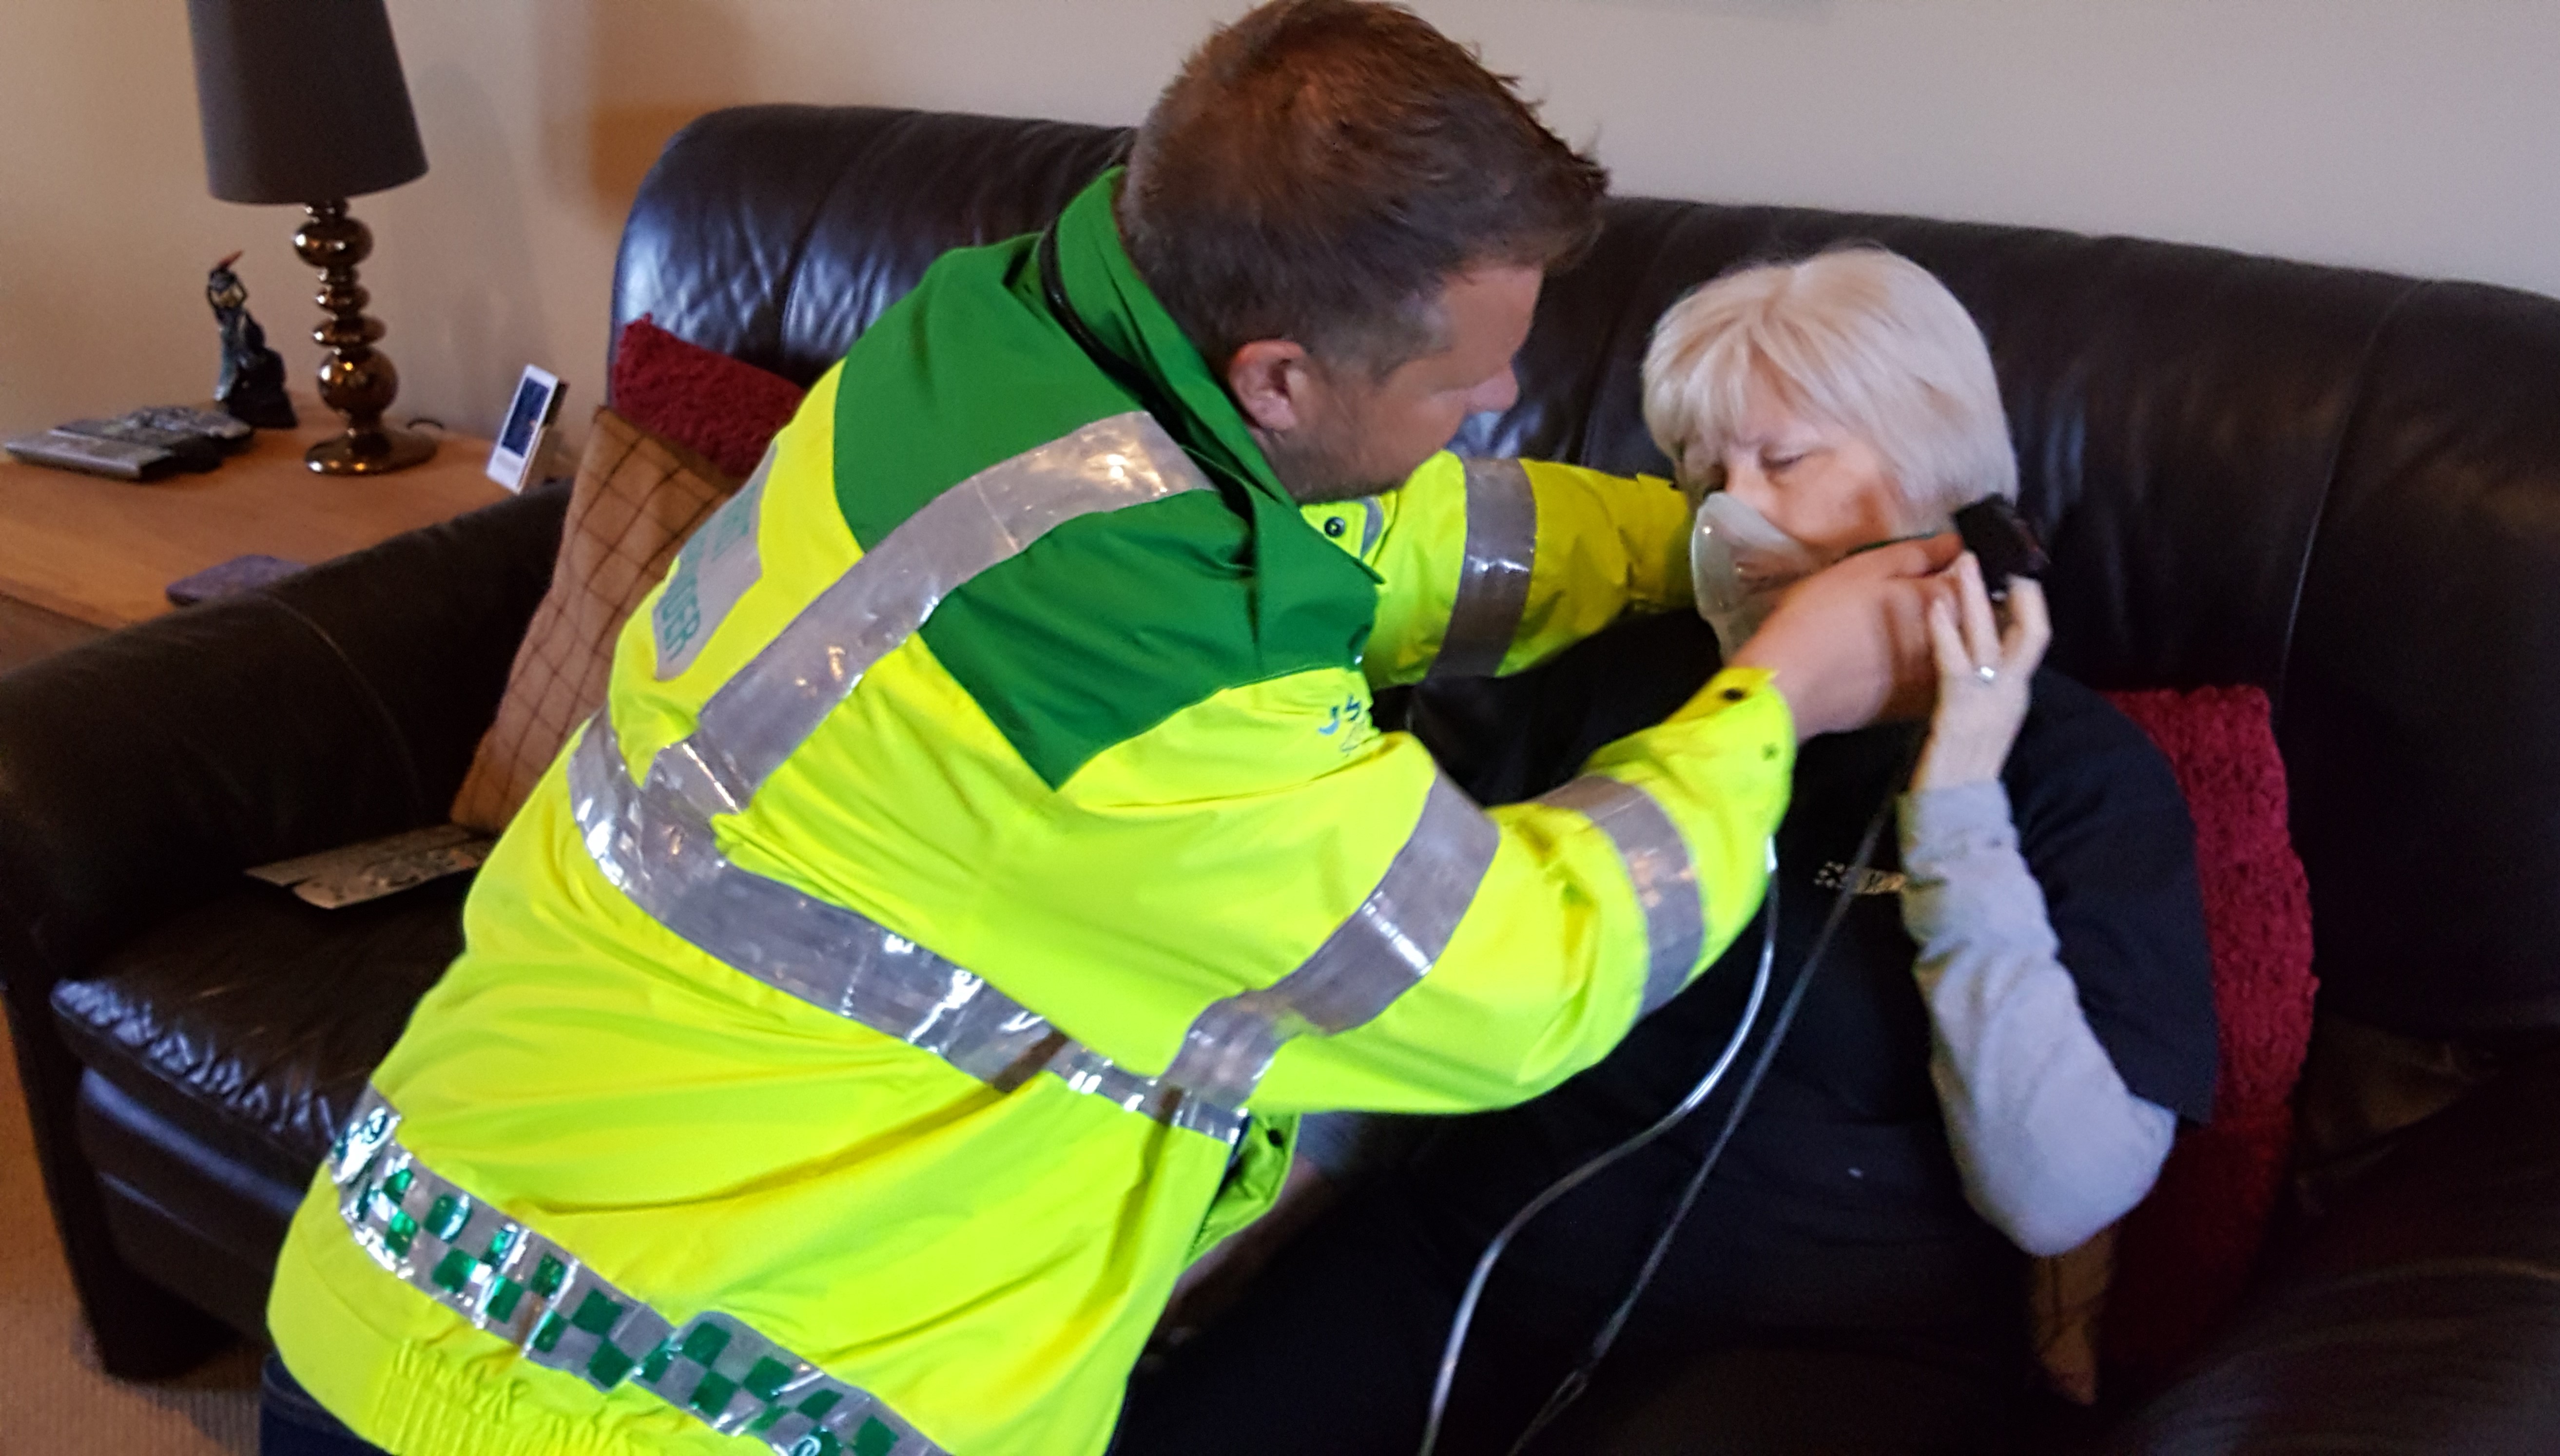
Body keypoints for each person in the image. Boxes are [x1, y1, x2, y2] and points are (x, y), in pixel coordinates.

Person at [259, 8, 1962, 1456]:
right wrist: (1777, 693)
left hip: (396, 1255)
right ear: (1281, 374)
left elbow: (1366, 542)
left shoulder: (989, 354)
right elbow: (1519, 973)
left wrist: (1689, 550)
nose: (1494, 407)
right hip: (654, 1404)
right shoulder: (1142, 705)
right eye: (1461, 385)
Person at [1112, 249, 2219, 1456]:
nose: (1733, 513)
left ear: (1936, 477)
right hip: (1466, 1256)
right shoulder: (1623, 686)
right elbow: (1414, 997)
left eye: (1785, 460)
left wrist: (1955, 814)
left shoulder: (2073, 775)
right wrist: (1196, 1258)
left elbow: (2057, 1194)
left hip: (1824, 1343)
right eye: (1704, 471)